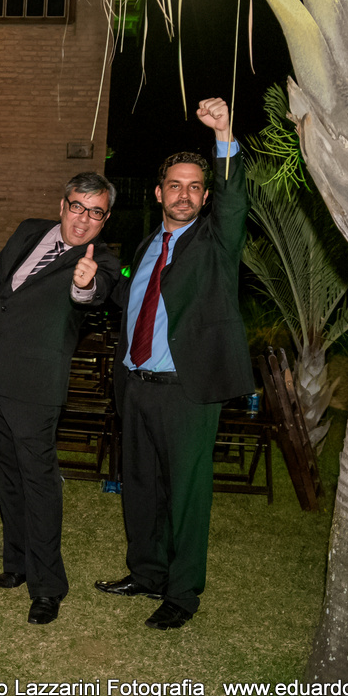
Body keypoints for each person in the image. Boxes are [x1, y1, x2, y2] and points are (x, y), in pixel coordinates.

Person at [95, 97, 252, 630]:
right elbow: (132, 303)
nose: (183, 194)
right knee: (140, 486)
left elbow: (235, 203)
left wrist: (224, 133)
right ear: (159, 193)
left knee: (185, 496)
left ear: (205, 197)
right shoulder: (146, 246)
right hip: (137, 386)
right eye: (174, 186)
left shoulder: (214, 242)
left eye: (194, 187)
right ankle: (146, 572)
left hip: (187, 390)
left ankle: (181, 594)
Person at [0, 171, 121, 625]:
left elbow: (93, 294)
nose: (83, 219)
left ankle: (48, 586)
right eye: (77, 206)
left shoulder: (101, 260)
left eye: (95, 212)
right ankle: (16, 564)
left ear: (104, 219)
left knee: (39, 483)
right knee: (5, 475)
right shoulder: (29, 229)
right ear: (62, 205)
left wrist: (85, 283)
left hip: (35, 388)